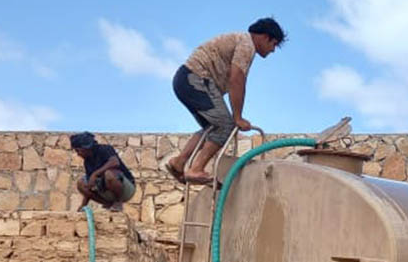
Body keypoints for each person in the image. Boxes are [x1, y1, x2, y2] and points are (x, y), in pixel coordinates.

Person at [165, 17, 286, 185]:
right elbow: (237, 79)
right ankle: (196, 169)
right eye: (274, 44)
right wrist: (238, 117)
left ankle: (179, 162)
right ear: (265, 37)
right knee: (226, 126)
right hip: (195, 78)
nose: (273, 50)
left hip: (184, 79)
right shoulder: (247, 45)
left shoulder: (241, 41)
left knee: (212, 127)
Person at [71, 132, 135, 212]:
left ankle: (118, 202)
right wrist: (84, 205)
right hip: (106, 191)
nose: (78, 154)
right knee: (81, 183)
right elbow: (89, 186)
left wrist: (95, 174)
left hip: (125, 189)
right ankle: (108, 204)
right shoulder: (87, 162)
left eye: (78, 150)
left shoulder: (105, 149)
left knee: (109, 174)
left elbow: (115, 162)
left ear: (85, 148)